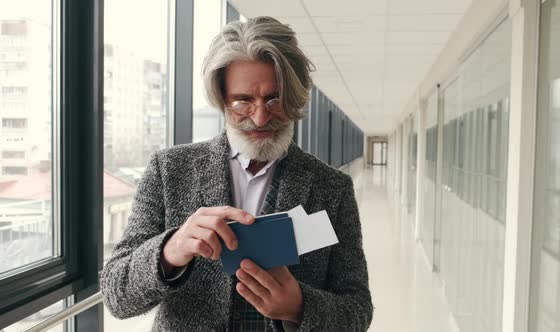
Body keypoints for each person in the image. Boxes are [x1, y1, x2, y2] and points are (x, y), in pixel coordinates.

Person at [100, 16, 373, 332]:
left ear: (295, 97)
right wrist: (171, 250)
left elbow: (357, 310)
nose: (259, 117)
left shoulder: (332, 187)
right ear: (222, 98)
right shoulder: (169, 171)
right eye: (243, 101)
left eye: (275, 99)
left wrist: (299, 307)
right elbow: (116, 295)